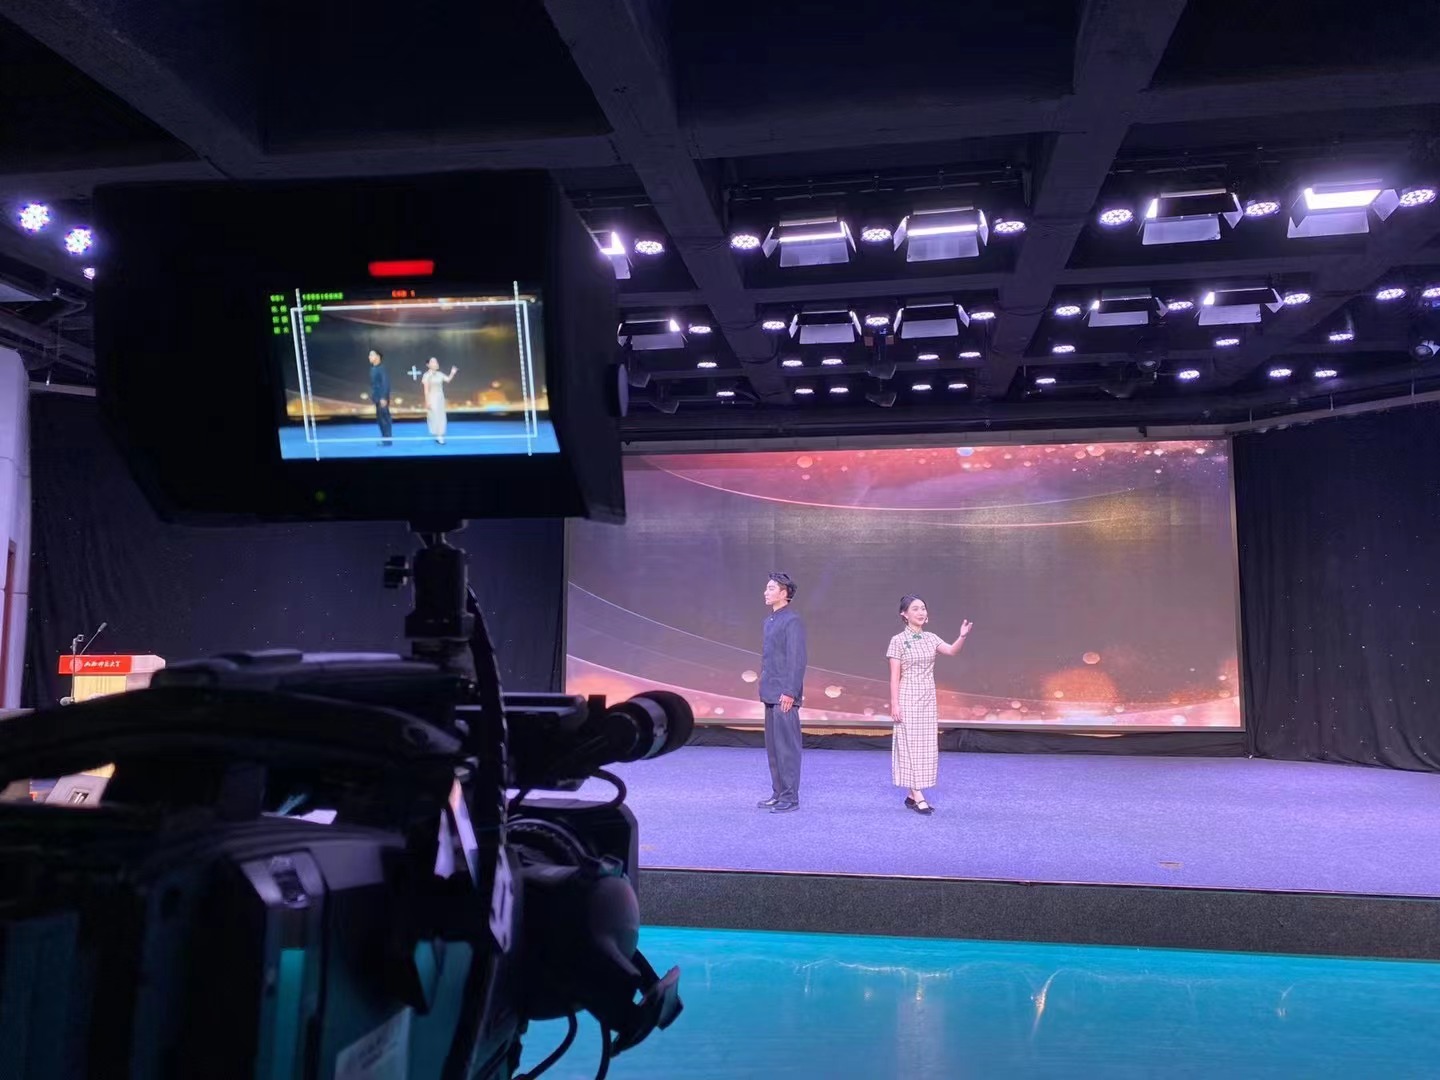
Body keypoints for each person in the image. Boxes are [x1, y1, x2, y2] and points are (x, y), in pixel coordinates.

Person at [886, 595, 973, 815]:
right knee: (909, 744)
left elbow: (951, 651)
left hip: (927, 698)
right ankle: (918, 795)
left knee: (924, 746)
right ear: (904, 614)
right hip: (907, 696)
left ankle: (910, 795)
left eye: (923, 608)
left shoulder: (931, 638)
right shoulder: (897, 640)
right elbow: (894, 677)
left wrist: (962, 636)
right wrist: (895, 704)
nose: (921, 612)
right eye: (915, 609)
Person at [758, 572, 807, 814]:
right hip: (769, 692)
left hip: (784, 695)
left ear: (784, 593)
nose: (765, 592)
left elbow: (797, 659)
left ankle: (790, 797)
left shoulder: (792, 620)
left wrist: (790, 691)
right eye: (766, 588)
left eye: (771, 588)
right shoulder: (769, 621)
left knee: (787, 748)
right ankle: (778, 793)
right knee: (774, 749)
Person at [421, 357, 458, 445]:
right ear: (428, 365)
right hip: (432, 398)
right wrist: (427, 401)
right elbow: (426, 390)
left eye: (436, 362)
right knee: (434, 416)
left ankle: (440, 435)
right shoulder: (426, 375)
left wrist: (452, 373)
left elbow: (448, 379)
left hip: (440, 397)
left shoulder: (440, 374)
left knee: (441, 416)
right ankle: (437, 434)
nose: (435, 363)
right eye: (433, 362)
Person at [368, 349, 392, 446]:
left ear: (377, 357)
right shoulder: (373, 369)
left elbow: (385, 383)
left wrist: (383, 398)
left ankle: (387, 440)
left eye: (371, 355)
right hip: (377, 398)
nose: (369, 357)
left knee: (384, 419)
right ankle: (384, 439)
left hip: (382, 399)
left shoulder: (381, 369)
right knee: (380, 420)